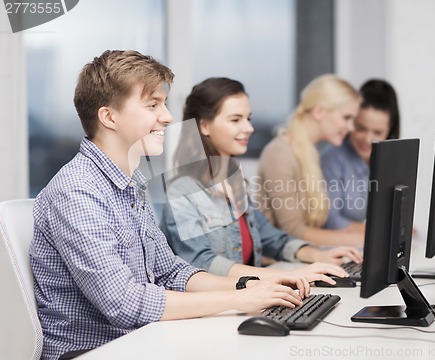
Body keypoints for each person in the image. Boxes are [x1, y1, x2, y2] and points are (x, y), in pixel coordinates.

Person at [29, 50, 311, 360]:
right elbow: (125, 303)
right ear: (109, 117)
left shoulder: (131, 183)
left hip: (140, 341)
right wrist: (237, 299)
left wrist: (251, 286)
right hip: (94, 351)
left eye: (163, 104)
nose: (167, 116)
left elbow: (171, 271)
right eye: (152, 105)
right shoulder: (78, 191)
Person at [158, 77, 362, 283]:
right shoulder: (182, 192)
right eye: (236, 120)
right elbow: (202, 262)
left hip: (247, 300)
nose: (249, 128)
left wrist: (320, 256)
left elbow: (274, 239)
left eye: (248, 118)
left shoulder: (235, 184)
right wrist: (285, 276)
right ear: (204, 126)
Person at [256, 74, 365, 247]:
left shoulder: (310, 154)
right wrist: (366, 241)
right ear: (319, 111)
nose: (351, 127)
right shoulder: (279, 154)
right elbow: (294, 231)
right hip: (277, 265)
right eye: (346, 118)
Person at [320, 79, 400, 229]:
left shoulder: (385, 160)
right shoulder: (331, 159)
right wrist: (380, 231)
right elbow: (330, 220)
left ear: (390, 131)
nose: (368, 139)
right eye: (361, 128)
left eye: (378, 132)